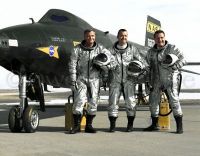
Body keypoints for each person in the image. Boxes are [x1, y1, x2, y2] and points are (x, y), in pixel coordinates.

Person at [68, 29, 113, 134]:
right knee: (79, 101)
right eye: (88, 36)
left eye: (92, 36)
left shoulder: (100, 48)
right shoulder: (77, 49)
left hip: (94, 79)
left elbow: (111, 60)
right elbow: (72, 64)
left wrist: (105, 67)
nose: (91, 38)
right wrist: (73, 79)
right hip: (81, 78)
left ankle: (89, 125)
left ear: (95, 36)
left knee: (93, 103)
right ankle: (77, 126)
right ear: (84, 37)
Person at [144, 30, 186, 134]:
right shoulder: (150, 52)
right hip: (156, 81)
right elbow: (147, 66)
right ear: (154, 39)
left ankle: (179, 127)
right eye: (158, 38)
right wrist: (147, 79)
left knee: (174, 102)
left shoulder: (172, 48)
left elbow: (183, 59)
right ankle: (154, 125)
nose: (160, 40)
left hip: (169, 80)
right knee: (153, 102)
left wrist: (174, 67)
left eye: (161, 37)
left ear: (164, 37)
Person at [108, 29, 147, 132]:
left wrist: (141, 72)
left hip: (129, 80)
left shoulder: (132, 49)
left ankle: (130, 125)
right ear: (117, 36)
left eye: (125, 35)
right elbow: (105, 64)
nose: (123, 37)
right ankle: (112, 126)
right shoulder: (110, 50)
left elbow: (142, 61)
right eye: (121, 35)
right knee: (113, 103)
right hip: (115, 81)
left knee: (131, 103)